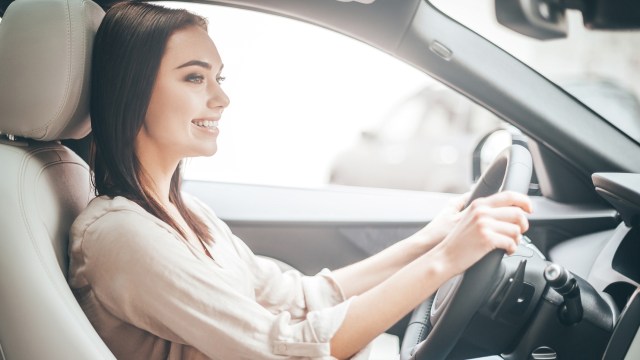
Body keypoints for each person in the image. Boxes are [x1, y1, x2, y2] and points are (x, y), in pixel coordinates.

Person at [68, 2, 532, 360]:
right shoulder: (120, 234)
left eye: (219, 78)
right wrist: (446, 260)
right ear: (134, 90)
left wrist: (430, 240)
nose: (222, 97)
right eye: (194, 78)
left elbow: (303, 298)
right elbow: (281, 349)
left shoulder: (185, 214)